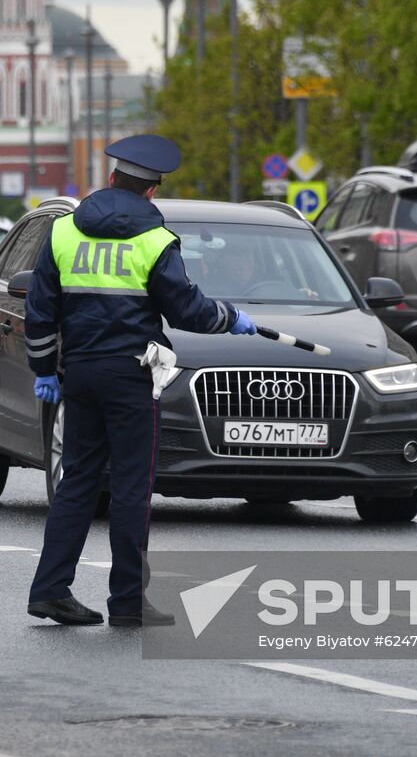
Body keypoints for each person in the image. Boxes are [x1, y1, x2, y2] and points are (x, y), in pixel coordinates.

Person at [24, 135, 256, 627]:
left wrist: (44, 369)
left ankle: (49, 590)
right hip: (131, 377)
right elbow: (186, 308)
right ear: (151, 192)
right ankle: (127, 601)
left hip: (81, 374)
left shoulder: (64, 233)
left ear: (111, 180)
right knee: (131, 488)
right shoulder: (155, 241)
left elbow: (40, 308)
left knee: (77, 483)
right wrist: (230, 317)